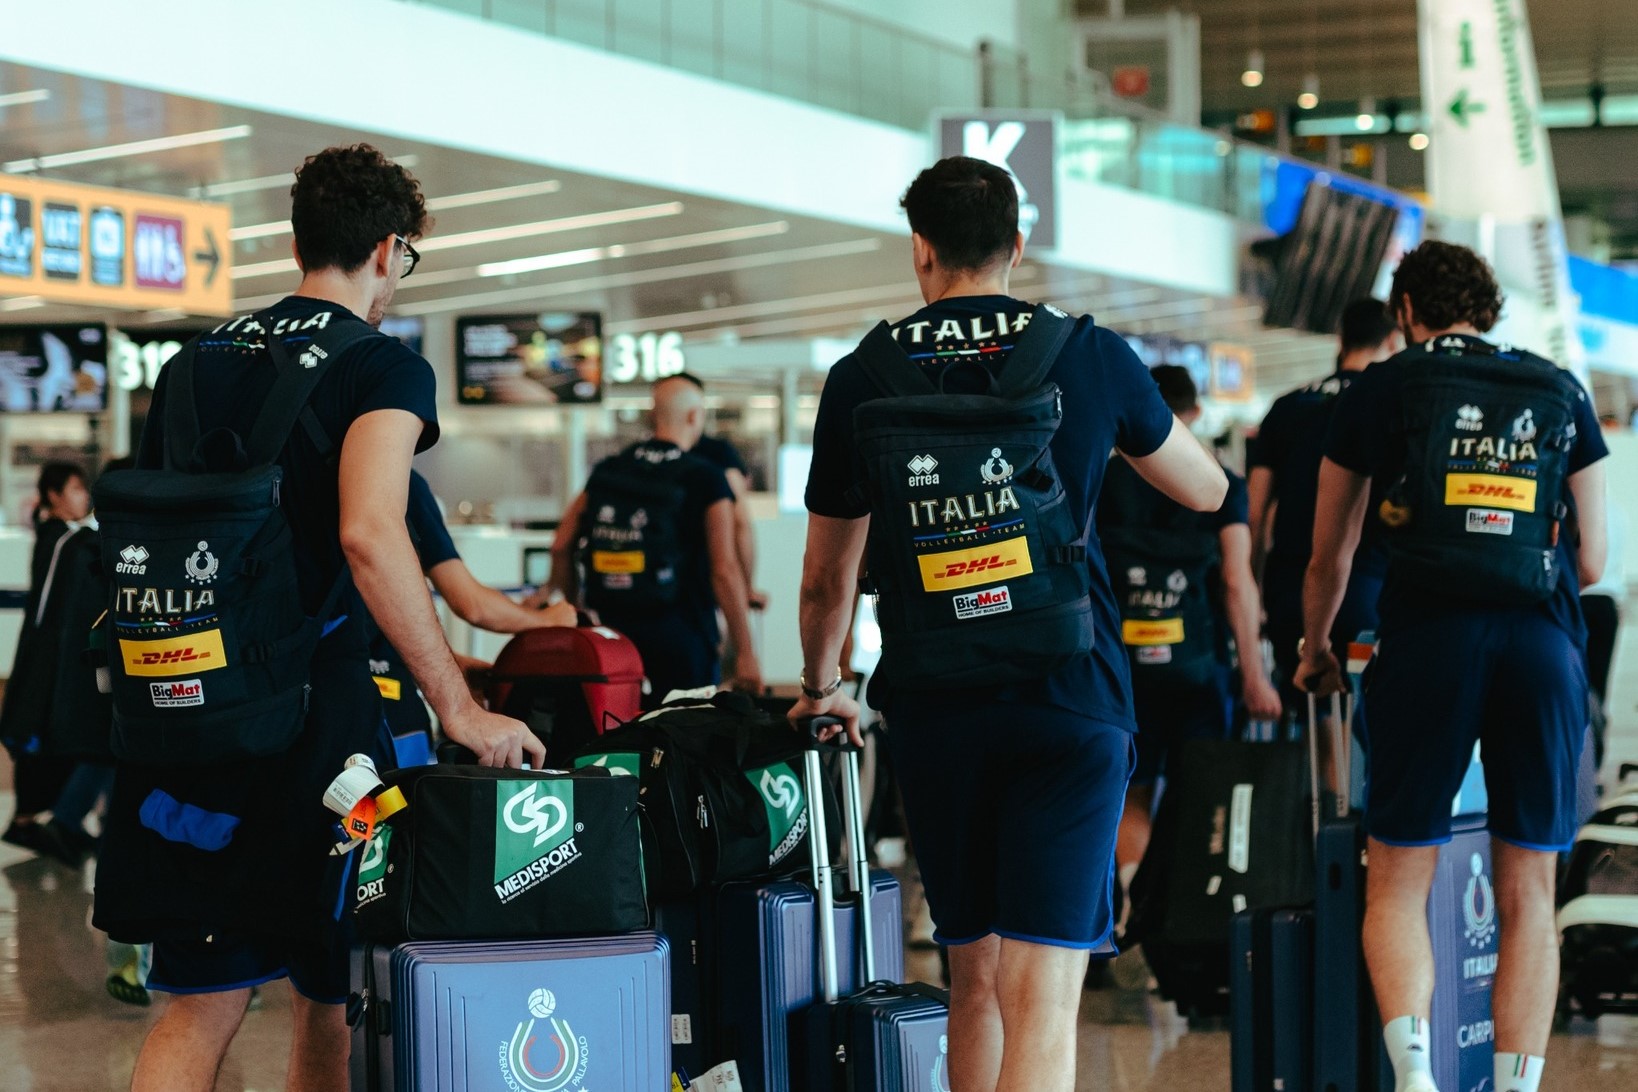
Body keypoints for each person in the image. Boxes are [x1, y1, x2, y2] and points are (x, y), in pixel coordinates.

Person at [95, 144, 539, 1092]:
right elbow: (370, 532)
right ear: (387, 250)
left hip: (185, 709)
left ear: (300, 243)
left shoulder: (192, 362)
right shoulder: (381, 366)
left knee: (199, 1004)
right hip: (320, 735)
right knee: (329, 991)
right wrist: (458, 707)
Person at [790, 156, 1226, 1092]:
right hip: (1072, 695)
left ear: (921, 250)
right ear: (1017, 245)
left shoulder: (862, 376)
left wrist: (824, 688)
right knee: (1044, 996)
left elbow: (827, 579)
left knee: (975, 977)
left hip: (938, 703)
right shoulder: (1088, 352)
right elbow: (1206, 489)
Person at [1297, 241, 1608, 1092]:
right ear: (1490, 309)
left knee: (1399, 874)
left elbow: (1331, 553)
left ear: (1405, 313)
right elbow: (1592, 561)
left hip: (1428, 640)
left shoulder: (1383, 385)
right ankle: (1516, 1086)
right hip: (1541, 645)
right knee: (1529, 888)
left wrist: (1316, 649)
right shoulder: (1558, 387)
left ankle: (1415, 1075)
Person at [1099, 365, 1282, 903]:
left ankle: (1133, 903)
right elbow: (1236, 580)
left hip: (1123, 670)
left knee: (1131, 791)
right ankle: (1181, 913)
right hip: (1200, 668)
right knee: (1199, 791)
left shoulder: (1103, 480)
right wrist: (1255, 676)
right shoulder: (1220, 482)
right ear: (1194, 412)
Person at [549, 373, 761, 703]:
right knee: (683, 727)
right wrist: (745, 652)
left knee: (617, 725)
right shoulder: (706, 477)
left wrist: (577, 614)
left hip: (613, 637)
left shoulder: (608, 470)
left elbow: (561, 546)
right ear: (695, 416)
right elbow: (724, 570)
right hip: (685, 636)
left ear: (652, 416)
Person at [1249, 298, 1402, 706]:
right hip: (1368, 591)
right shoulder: (1392, 405)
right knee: (1367, 712)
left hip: (1289, 591)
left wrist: (1254, 593)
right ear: (1393, 340)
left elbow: (1255, 514)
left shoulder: (1287, 407)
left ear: (1340, 339)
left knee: (1309, 707)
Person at [371, 469, 577, 742]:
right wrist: (547, 619)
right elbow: (471, 604)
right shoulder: (401, 482)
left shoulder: (321, 474)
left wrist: (450, 663)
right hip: (388, 710)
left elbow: (365, 615)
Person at [0, 463, 95, 864]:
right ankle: (27, 820)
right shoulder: (62, 542)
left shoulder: (61, 538)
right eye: (75, 488)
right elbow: (47, 612)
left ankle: (49, 820)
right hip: (47, 658)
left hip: (49, 656)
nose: (83, 496)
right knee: (42, 732)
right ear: (54, 495)